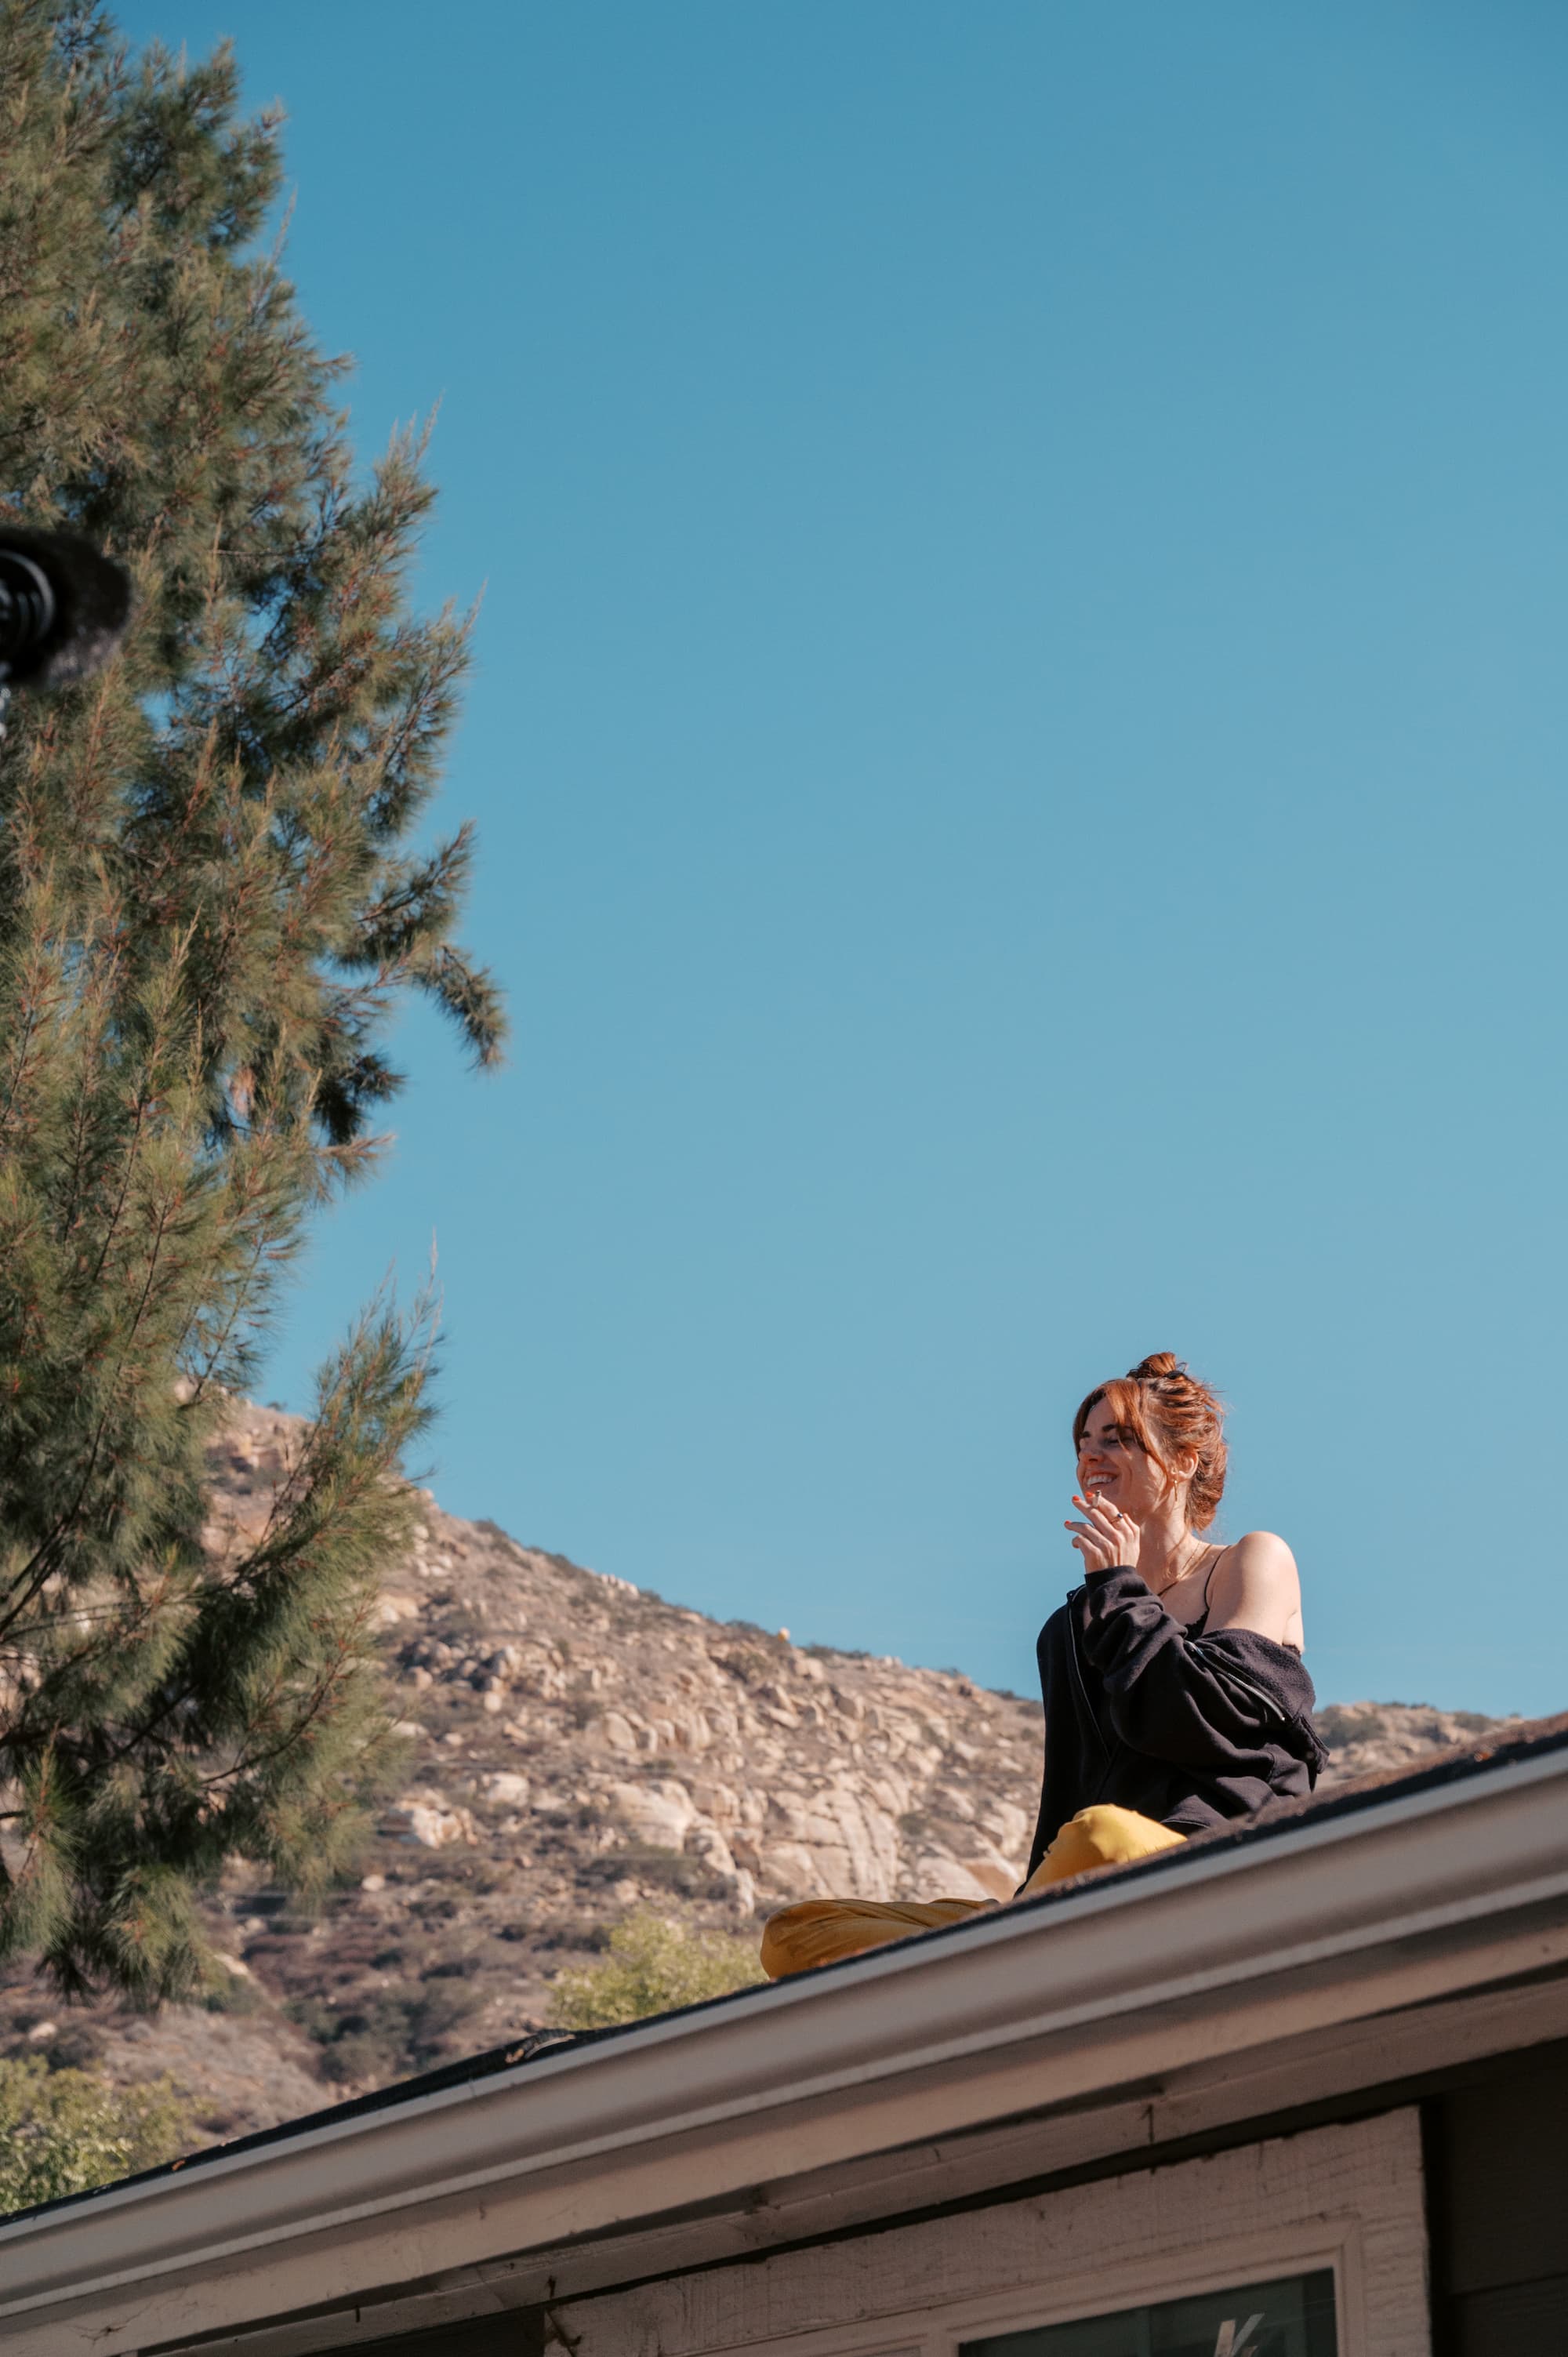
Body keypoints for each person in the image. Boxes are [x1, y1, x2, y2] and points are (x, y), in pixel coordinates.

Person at [760, 1352, 1326, 1979]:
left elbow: (1202, 1722)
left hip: (1209, 1865)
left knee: (1101, 1837)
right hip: (1078, 1883)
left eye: (1118, 1439)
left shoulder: (1249, 1563)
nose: (1092, 1457)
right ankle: (1011, 1949)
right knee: (797, 1932)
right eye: (1084, 1442)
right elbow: (1069, 1793)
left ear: (1184, 1462)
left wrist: (1117, 1585)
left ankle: (995, 1955)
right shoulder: (1072, 1627)